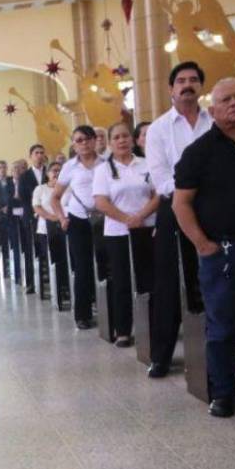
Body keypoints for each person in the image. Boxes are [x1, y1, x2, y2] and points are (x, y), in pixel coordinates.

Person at [172, 78, 235, 418]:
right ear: (212, 111)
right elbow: (181, 204)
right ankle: (223, 392)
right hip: (222, 252)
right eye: (226, 100)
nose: (234, 103)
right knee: (222, 328)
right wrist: (202, 244)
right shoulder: (199, 152)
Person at [144, 61, 212, 378]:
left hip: (214, 209)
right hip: (174, 208)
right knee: (169, 282)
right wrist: (192, 190)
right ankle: (161, 355)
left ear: (200, 87)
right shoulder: (159, 128)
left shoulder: (214, 122)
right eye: (181, 80)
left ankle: (218, 350)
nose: (187, 85)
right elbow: (160, 177)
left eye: (193, 80)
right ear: (171, 88)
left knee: (214, 280)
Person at [92, 121, 159, 347]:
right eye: (116, 137)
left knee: (148, 279)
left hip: (146, 228)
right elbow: (101, 201)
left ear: (133, 140)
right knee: (121, 281)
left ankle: (152, 327)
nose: (122, 140)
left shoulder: (146, 164)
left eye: (125, 136)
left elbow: (158, 194)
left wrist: (140, 216)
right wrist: (126, 219)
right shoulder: (103, 170)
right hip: (118, 232)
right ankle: (123, 330)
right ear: (110, 143)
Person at [52, 125, 102, 330]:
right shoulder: (70, 167)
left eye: (87, 138)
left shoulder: (106, 163)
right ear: (74, 145)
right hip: (78, 219)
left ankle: (109, 309)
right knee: (82, 267)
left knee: (106, 264)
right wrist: (62, 218)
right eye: (79, 140)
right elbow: (55, 197)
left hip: (104, 218)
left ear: (95, 140)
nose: (84, 143)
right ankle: (83, 314)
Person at [32, 161, 69, 309]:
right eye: (54, 170)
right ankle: (57, 288)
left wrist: (63, 218)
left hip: (65, 226)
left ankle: (67, 286)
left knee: (66, 259)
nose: (57, 173)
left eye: (59, 170)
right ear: (47, 173)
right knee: (53, 259)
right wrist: (52, 217)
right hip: (47, 229)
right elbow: (37, 207)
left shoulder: (67, 188)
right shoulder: (40, 189)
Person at [17, 145, 50, 294]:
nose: (40, 155)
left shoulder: (49, 173)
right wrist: (36, 210)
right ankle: (31, 283)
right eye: (36, 153)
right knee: (31, 250)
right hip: (31, 217)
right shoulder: (24, 176)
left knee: (48, 249)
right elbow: (23, 197)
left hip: (49, 215)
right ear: (31, 156)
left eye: (42, 153)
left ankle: (55, 281)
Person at [0, 160, 17, 279]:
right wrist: (0, 209)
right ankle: (6, 267)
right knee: (3, 242)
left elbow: (16, 196)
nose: (2, 169)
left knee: (14, 241)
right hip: (0, 216)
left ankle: (15, 266)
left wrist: (9, 207)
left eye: (4, 167)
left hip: (12, 215)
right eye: (0, 167)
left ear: (7, 168)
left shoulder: (12, 180)